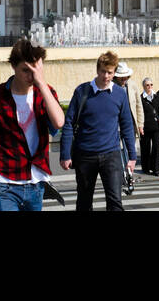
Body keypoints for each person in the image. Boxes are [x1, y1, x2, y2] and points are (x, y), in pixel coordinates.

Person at [0, 39, 64, 211]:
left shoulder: (45, 93)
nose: (31, 76)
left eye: (36, 70)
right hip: (3, 182)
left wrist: (41, 83)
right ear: (13, 66)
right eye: (26, 70)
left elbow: (58, 123)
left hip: (36, 183)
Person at [59, 52, 138, 211]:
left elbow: (127, 125)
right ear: (97, 70)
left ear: (114, 72)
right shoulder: (82, 91)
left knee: (115, 201)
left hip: (111, 155)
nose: (106, 76)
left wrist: (132, 156)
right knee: (84, 201)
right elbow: (68, 123)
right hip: (85, 155)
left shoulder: (120, 94)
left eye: (110, 72)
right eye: (103, 71)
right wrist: (65, 154)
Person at [139, 78, 159, 176]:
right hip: (145, 127)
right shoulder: (140, 98)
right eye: (147, 85)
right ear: (144, 86)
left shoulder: (157, 97)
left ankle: (155, 169)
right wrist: (140, 126)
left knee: (156, 148)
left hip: (156, 127)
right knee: (145, 148)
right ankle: (146, 168)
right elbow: (138, 112)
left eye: (151, 84)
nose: (149, 87)